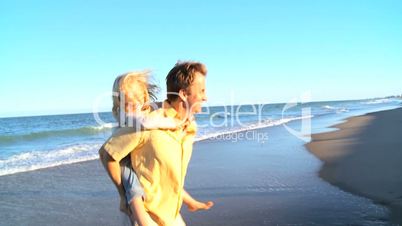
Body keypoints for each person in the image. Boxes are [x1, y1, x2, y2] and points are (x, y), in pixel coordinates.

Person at [99, 61, 213, 226]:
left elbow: (164, 175)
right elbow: (106, 154)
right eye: (202, 91)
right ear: (183, 94)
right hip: (145, 216)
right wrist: (123, 195)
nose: (206, 97)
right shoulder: (146, 125)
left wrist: (188, 200)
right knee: (131, 180)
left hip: (170, 214)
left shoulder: (189, 127)